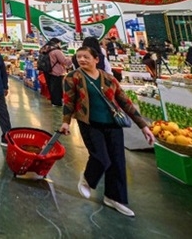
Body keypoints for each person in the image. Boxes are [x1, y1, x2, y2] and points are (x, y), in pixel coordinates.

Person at [60, 46, 154, 217]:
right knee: (101, 157)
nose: (81, 60)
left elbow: (125, 102)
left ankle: (114, 198)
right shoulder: (73, 77)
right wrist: (66, 122)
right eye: (79, 57)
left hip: (113, 124)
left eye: (86, 57)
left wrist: (143, 126)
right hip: (89, 123)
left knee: (117, 161)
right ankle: (88, 178)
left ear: (96, 59)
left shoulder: (109, 79)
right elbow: (68, 101)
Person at [40, 38, 72, 107]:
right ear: (57, 43)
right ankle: (57, 103)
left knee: (52, 87)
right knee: (58, 88)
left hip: (47, 71)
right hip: (57, 72)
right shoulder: (56, 51)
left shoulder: (45, 49)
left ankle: (54, 102)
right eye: (59, 43)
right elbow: (64, 61)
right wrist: (72, 58)